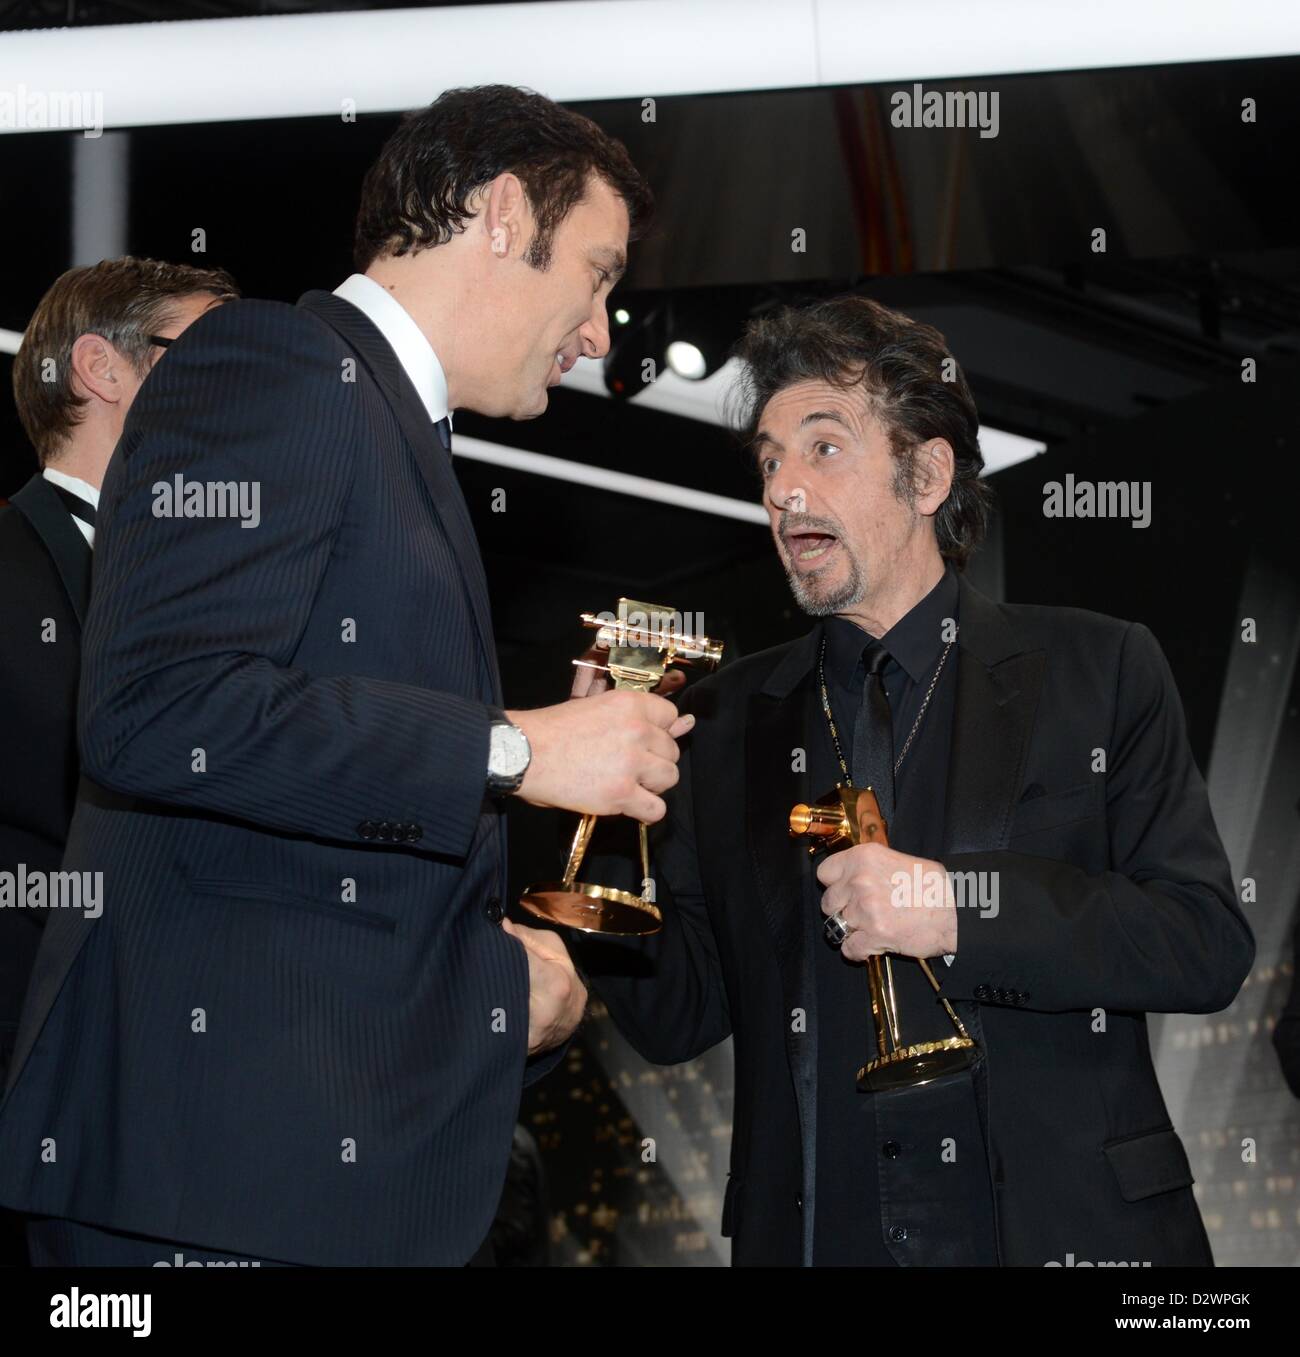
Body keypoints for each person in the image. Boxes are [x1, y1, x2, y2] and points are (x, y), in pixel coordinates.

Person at [0, 84, 690, 1267]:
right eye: (597, 272)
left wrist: (492, 967)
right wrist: (515, 749)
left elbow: (304, 815)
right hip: (217, 1178)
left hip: (281, 1171)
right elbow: (158, 710)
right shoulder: (272, 360)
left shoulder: (380, 421)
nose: (599, 333)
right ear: (502, 211)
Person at [572, 294, 1255, 1267]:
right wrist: (595, 806)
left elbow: (1202, 942)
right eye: (768, 460)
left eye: (822, 448)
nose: (783, 492)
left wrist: (956, 907)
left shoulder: (1097, 669)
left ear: (927, 471)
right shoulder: (723, 722)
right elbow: (677, 1014)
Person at [0, 256, 237, 1265]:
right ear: (100, 365)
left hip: (211, 1119)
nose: (249, 391)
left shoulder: (242, 589)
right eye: (216, 359)